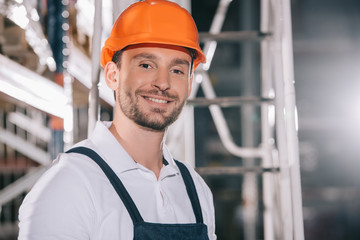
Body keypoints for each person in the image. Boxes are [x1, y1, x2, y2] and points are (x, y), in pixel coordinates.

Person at [18, 0, 216, 239]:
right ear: (113, 75)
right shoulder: (70, 184)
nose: (163, 82)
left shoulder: (195, 189)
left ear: (189, 84)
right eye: (146, 64)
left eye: (177, 70)